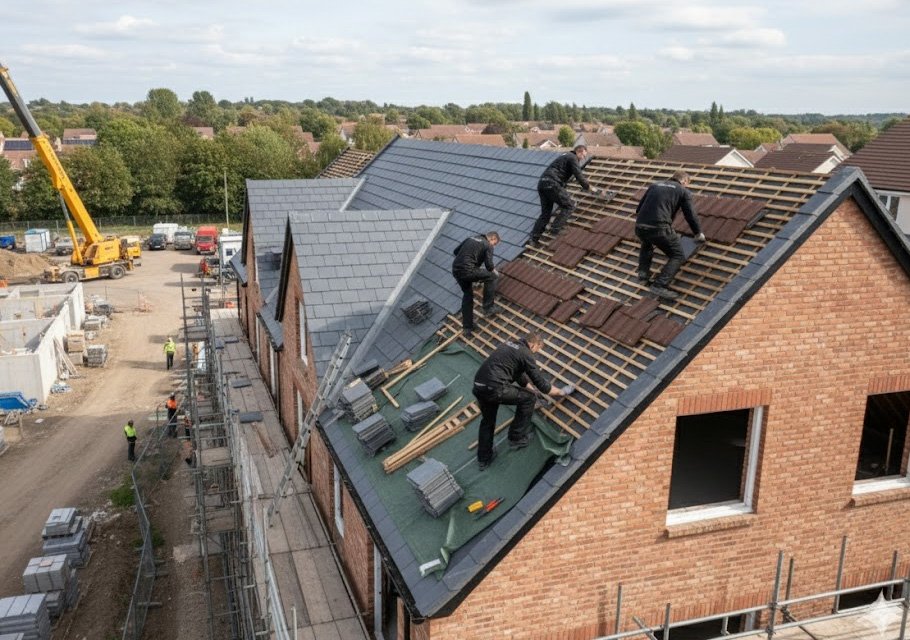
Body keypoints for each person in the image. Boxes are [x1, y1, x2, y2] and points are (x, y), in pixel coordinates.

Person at [472, 332, 570, 470]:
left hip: (479, 386)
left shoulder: (510, 344)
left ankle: (483, 459)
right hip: (495, 388)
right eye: (538, 348)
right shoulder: (526, 353)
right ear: (533, 344)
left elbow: (518, 375)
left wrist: (532, 390)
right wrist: (561, 391)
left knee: (487, 422)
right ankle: (516, 438)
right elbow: (541, 384)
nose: (537, 352)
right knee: (528, 399)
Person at [635, 170, 706, 300]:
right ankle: (660, 285)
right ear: (684, 181)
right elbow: (690, 214)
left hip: (640, 226)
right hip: (659, 228)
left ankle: (643, 273)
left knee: (647, 242)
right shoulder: (683, 191)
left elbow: (638, 209)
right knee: (678, 255)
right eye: (687, 184)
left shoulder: (654, 185)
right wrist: (698, 233)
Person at [530, 145, 613, 246]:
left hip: (542, 184)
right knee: (570, 206)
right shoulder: (572, 158)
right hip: (552, 183)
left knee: (545, 214)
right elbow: (579, 176)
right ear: (580, 152)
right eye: (583, 156)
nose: (583, 158)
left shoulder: (565, 156)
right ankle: (555, 228)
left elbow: (565, 174)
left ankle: (534, 239)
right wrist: (594, 190)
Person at [452, 231, 501, 339]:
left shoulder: (471, 238)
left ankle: (467, 328)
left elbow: (456, 252)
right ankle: (488, 308)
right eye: (495, 243)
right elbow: (489, 266)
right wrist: (495, 271)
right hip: (468, 271)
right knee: (492, 276)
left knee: (468, 296)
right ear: (492, 238)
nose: (494, 246)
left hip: (456, 270)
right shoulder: (487, 245)